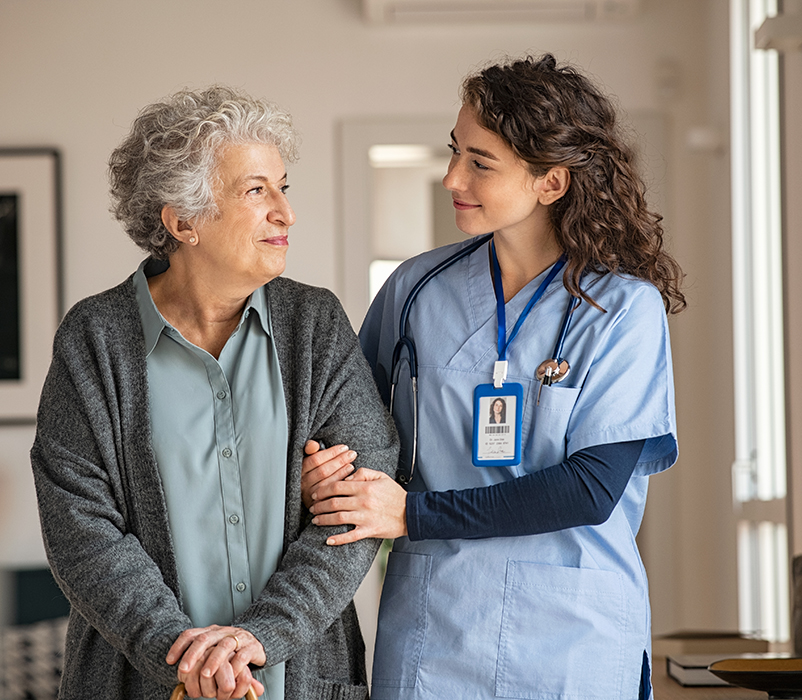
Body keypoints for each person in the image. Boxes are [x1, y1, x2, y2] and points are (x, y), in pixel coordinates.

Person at [303, 54, 684, 699]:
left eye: (481, 163)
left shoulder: (622, 310)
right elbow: (350, 426)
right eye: (455, 152)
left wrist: (411, 515)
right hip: (435, 629)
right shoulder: (415, 290)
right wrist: (327, 469)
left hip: (573, 638)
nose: (451, 176)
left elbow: (590, 489)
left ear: (551, 183)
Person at [29, 86, 398, 700]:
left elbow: (360, 501)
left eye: (284, 187)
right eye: (257, 191)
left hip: (299, 680)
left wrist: (261, 637)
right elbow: (81, 529)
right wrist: (185, 658)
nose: (285, 212)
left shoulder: (315, 324)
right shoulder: (94, 339)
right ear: (182, 221)